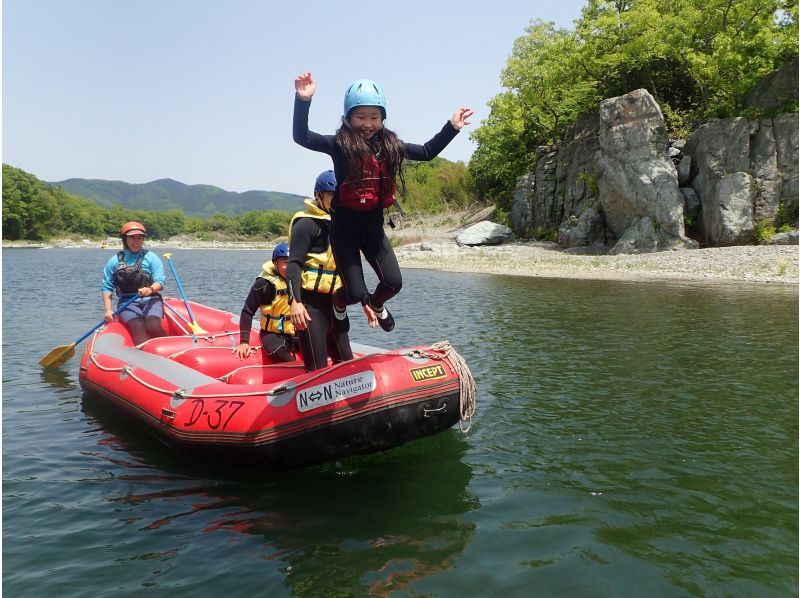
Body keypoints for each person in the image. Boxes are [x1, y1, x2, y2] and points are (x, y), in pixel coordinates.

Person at [293, 72, 473, 332]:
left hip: (373, 229)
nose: (367, 124)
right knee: (355, 293)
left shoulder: (391, 145)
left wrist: (452, 126)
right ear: (348, 117)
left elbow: (426, 152)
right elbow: (303, 137)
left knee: (393, 283)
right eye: (360, 117)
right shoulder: (338, 144)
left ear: (383, 118)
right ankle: (339, 300)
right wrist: (303, 101)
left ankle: (377, 305)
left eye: (374, 117)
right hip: (344, 231)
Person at [287, 170, 378, 371]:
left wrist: (365, 301)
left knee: (346, 365)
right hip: (310, 305)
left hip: (336, 304)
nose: (338, 202)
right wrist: (295, 302)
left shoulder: (342, 226)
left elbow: (351, 268)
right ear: (319, 195)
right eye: (333, 196)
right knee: (317, 370)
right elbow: (293, 264)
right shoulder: (306, 224)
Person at [101, 221, 168, 346]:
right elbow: (107, 287)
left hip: (151, 299)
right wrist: (108, 310)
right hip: (127, 302)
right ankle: (146, 359)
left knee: (152, 326)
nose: (136, 241)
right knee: (138, 328)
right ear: (125, 239)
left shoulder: (151, 257)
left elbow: (160, 281)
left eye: (140, 237)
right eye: (132, 237)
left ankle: (172, 350)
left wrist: (150, 289)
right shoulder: (114, 261)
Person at [235, 243, 297, 363]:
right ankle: (297, 371)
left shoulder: (302, 280)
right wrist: (244, 342)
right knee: (275, 350)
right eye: (285, 262)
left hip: (298, 331)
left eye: (293, 262)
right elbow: (247, 312)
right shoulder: (264, 285)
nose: (290, 266)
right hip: (273, 333)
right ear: (275, 264)